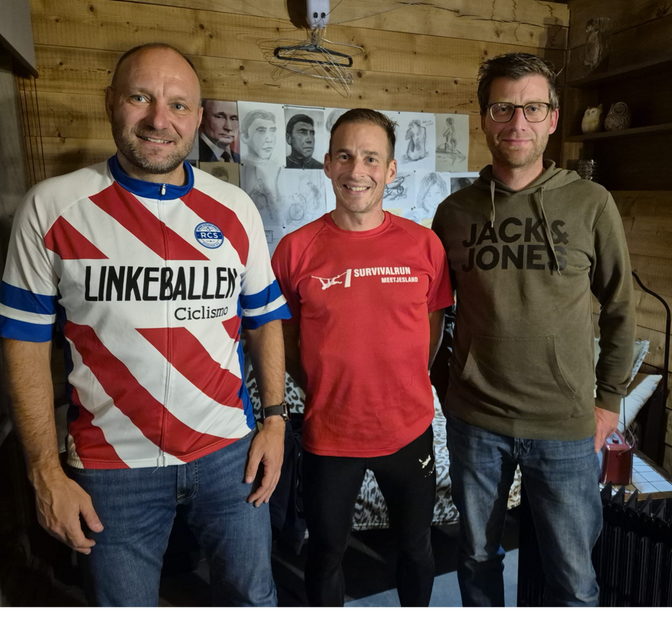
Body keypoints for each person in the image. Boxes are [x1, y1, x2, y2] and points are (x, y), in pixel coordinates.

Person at [0, 43, 291, 611]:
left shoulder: (235, 209)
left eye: (178, 105)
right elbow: (23, 342)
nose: (160, 120)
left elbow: (263, 321)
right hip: (110, 466)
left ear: (198, 117)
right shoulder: (52, 207)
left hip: (227, 454)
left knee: (253, 599)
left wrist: (276, 422)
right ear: (110, 101)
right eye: (140, 98)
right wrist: (43, 472)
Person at [431, 52, 636, 610]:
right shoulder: (453, 213)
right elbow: (433, 312)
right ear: (484, 118)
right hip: (476, 423)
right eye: (503, 108)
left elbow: (620, 306)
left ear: (552, 117)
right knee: (476, 561)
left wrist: (608, 402)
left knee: (574, 581)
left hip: (565, 425)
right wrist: (448, 386)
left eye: (533, 108)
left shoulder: (591, 203)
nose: (517, 122)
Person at [272, 109, 453, 610]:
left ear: (391, 170)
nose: (357, 170)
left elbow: (433, 324)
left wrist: (404, 377)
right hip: (330, 435)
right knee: (326, 553)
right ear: (327, 164)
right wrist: (321, 382)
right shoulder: (295, 250)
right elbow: (284, 336)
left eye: (371, 158)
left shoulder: (425, 245)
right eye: (345, 156)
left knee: (416, 547)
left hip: (409, 431)